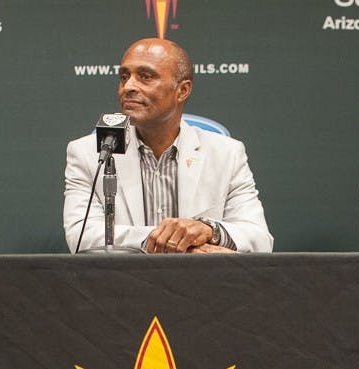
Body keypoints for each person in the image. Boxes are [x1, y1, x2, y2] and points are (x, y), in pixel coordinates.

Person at [64, 38, 273, 254]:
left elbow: (259, 239)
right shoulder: (88, 153)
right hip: (124, 285)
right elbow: (82, 236)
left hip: (202, 285)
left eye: (145, 77)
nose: (128, 87)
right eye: (124, 77)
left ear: (182, 90)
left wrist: (208, 230)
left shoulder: (226, 153)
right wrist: (177, 244)